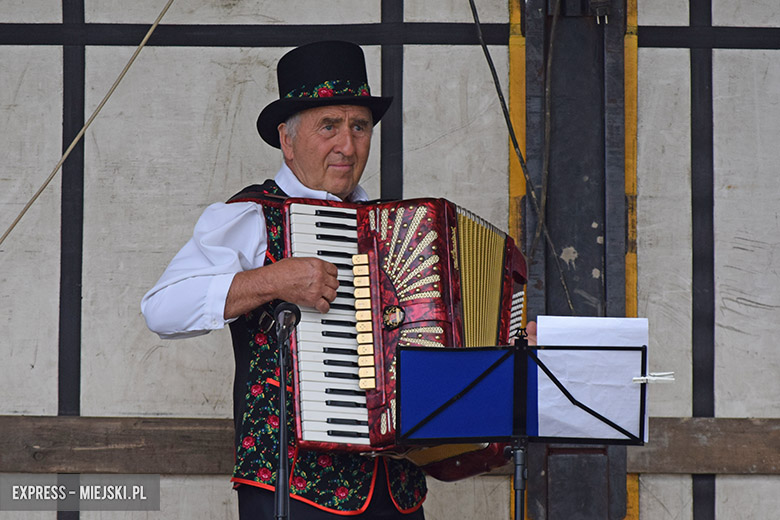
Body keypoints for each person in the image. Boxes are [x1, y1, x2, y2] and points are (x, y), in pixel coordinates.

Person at [141, 41, 426, 519]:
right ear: (287, 141)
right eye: (329, 126)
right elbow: (162, 308)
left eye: (359, 127)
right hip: (292, 493)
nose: (347, 145)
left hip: (396, 490)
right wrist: (269, 280)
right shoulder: (252, 216)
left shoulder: (396, 230)